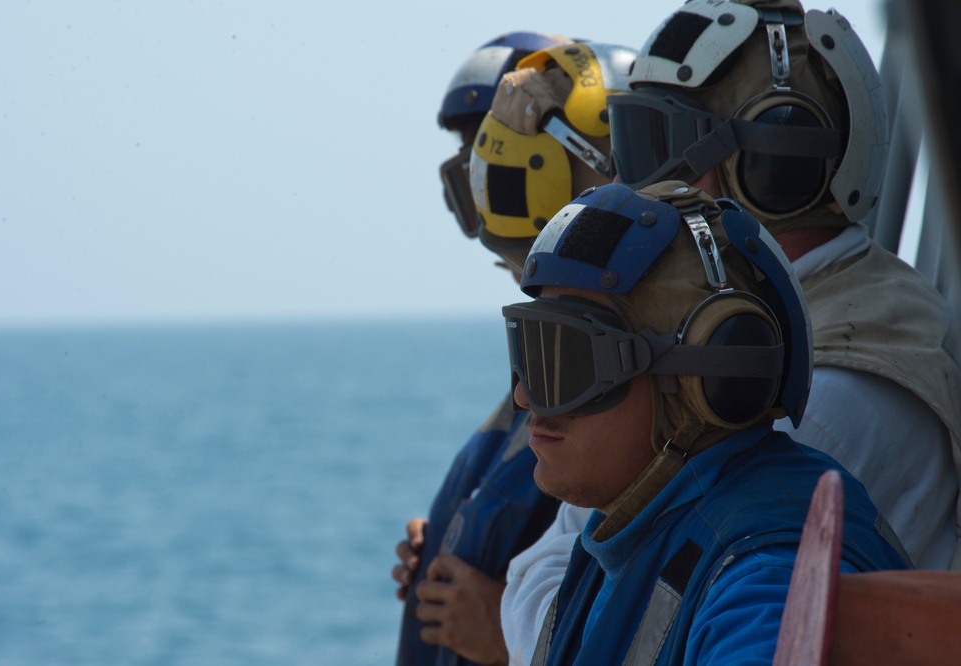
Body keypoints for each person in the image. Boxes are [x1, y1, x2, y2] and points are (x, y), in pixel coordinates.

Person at [502, 2, 961, 661]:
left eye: (658, 147)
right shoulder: (834, 331)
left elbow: (758, 604)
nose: (643, 185)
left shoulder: (821, 411)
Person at [504, 181, 908, 664]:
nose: (524, 396)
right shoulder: (631, 528)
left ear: (703, 380)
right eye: (531, 352)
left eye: (566, 362)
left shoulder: (765, 575)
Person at [392, 36, 636, 666]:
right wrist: (454, 531)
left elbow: (649, 608)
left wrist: (505, 638)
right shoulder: (535, 376)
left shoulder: (628, 381)